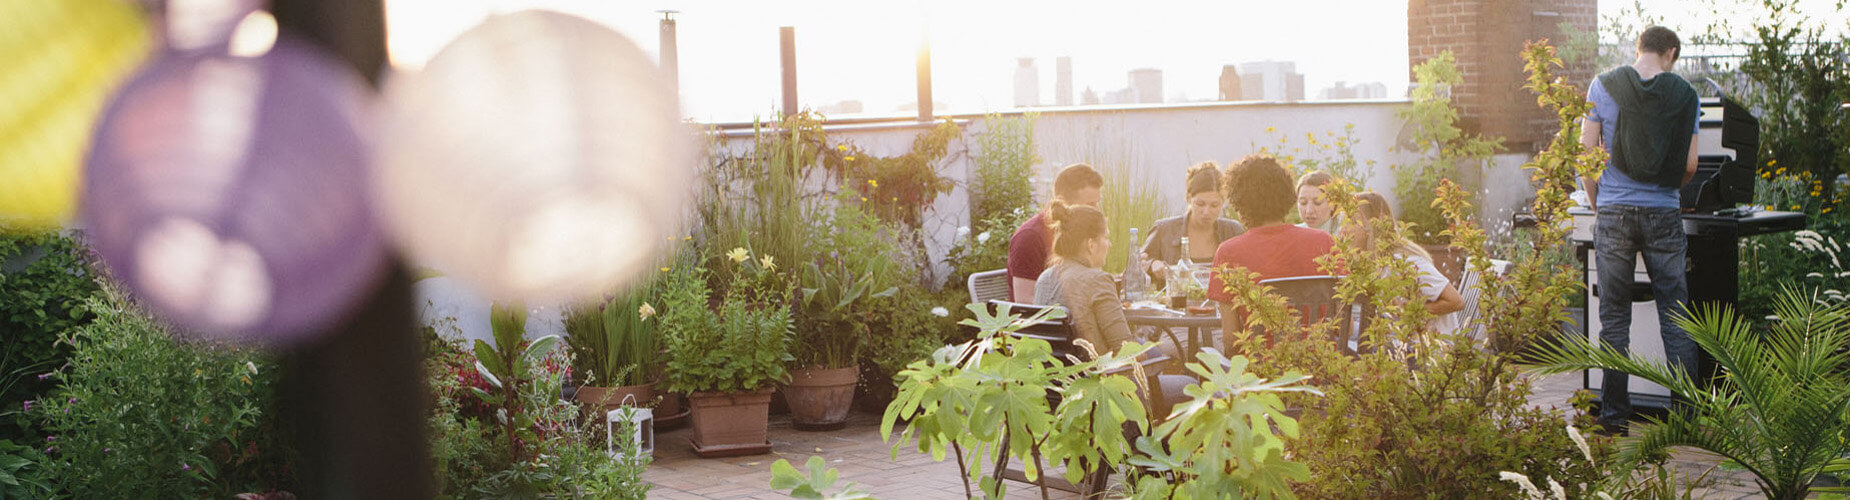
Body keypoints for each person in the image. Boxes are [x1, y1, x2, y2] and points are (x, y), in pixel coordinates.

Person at [1579, 25, 1701, 436]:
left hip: (1613, 212)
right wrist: (1667, 193)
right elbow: (1689, 166)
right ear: (1669, 53)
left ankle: (1613, 418)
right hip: (1664, 213)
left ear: (1640, 49)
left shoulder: (1603, 85)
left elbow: (1586, 155)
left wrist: (1600, 203)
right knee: (1676, 316)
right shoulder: (1685, 95)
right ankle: (1685, 422)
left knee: (1614, 320)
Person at [1207, 154, 1336, 336]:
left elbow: (1230, 341)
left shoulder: (1229, 253)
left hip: (1258, 363)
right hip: (1321, 362)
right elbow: (1345, 324)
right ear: (1287, 195)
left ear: (1239, 203)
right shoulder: (1324, 242)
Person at [1033, 201, 1180, 359]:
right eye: (1106, 237)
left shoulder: (1045, 278)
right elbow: (1127, 351)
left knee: (1153, 353)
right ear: (1091, 245)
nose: (1109, 244)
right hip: (1099, 379)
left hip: (1055, 380)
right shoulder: (1097, 280)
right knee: (1182, 377)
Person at [1343, 192, 1464, 336]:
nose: (1343, 230)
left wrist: (1409, 311)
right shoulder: (1375, 264)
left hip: (1431, 350)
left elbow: (1456, 301)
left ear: (1372, 226)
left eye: (1351, 222)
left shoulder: (1405, 261)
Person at [1140, 161, 1246, 289]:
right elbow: (1134, 269)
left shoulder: (1233, 231)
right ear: (1188, 198)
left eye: (1214, 205)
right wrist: (1153, 264)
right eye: (1200, 204)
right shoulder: (1164, 230)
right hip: (1174, 305)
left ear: (1223, 202)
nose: (1206, 212)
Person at [1008, 163, 1104, 302]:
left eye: (1097, 203)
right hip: (1046, 322)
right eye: (1090, 205)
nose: (1097, 211)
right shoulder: (1029, 237)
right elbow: (1024, 300)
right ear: (1061, 201)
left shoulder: (1082, 230)